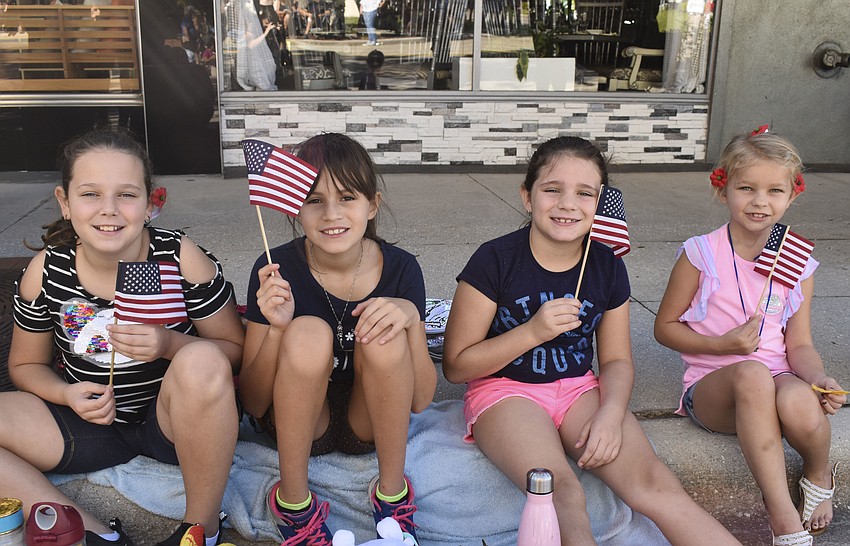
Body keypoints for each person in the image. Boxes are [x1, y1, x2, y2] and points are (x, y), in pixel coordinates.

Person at [442, 136, 741, 546]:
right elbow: (458, 365)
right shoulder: (494, 260)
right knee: (562, 490)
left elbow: (616, 360)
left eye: (584, 193)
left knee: (655, 485)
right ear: (527, 197)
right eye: (553, 190)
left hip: (579, 390)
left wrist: (610, 414)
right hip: (505, 390)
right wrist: (532, 332)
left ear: (599, 202)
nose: (568, 204)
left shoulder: (606, 266)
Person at [2, 129, 245, 546]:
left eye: (127, 195)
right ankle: (93, 534)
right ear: (64, 202)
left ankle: (199, 530)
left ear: (152, 203)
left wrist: (169, 344)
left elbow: (235, 352)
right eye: (90, 194)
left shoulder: (179, 257)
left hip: (173, 425)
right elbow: (25, 365)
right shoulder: (46, 272)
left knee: (201, 359)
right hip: (91, 423)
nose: (109, 210)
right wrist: (66, 395)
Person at [240, 133, 437, 545]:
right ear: (296, 206)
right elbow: (255, 402)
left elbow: (420, 400)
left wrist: (412, 318)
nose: (331, 214)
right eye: (314, 200)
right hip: (301, 425)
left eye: (347, 197)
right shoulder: (276, 270)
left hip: (371, 424)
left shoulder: (401, 268)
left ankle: (391, 494)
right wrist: (278, 329)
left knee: (384, 328)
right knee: (309, 331)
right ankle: (292, 503)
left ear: (372, 205)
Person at [654, 128, 845, 546]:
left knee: (796, 395)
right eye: (747, 188)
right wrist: (721, 346)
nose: (760, 201)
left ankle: (817, 474)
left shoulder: (797, 264)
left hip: (776, 385)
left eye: (775, 190)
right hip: (714, 392)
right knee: (753, 374)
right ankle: (782, 518)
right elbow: (664, 328)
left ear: (791, 195)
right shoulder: (700, 253)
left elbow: (800, 345)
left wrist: (819, 379)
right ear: (724, 189)